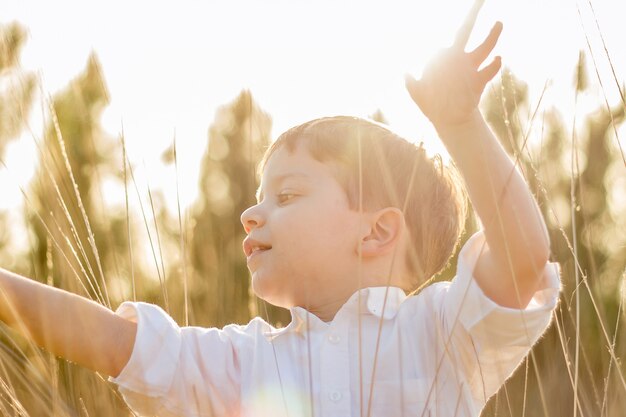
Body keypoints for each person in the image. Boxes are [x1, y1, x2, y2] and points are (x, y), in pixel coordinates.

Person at [0, 2, 560, 416]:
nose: (251, 212)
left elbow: (524, 260)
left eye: (287, 196)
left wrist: (460, 125)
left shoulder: (443, 333)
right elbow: (115, 343)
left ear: (378, 232)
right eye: (260, 196)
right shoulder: (244, 362)